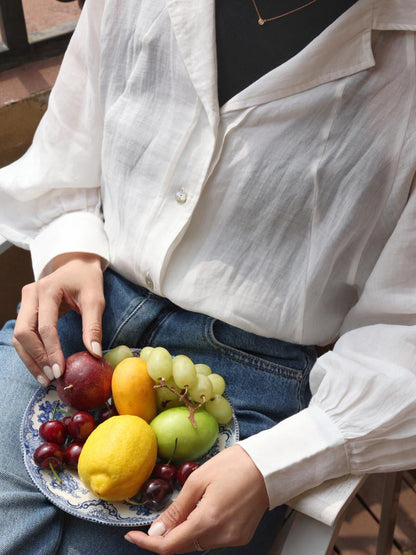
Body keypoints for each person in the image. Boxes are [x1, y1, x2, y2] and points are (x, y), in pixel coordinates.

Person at [0, 0, 415, 553]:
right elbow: (67, 160)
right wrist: (68, 250)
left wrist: (280, 462)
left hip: (247, 388)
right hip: (85, 323)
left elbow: (404, 332)